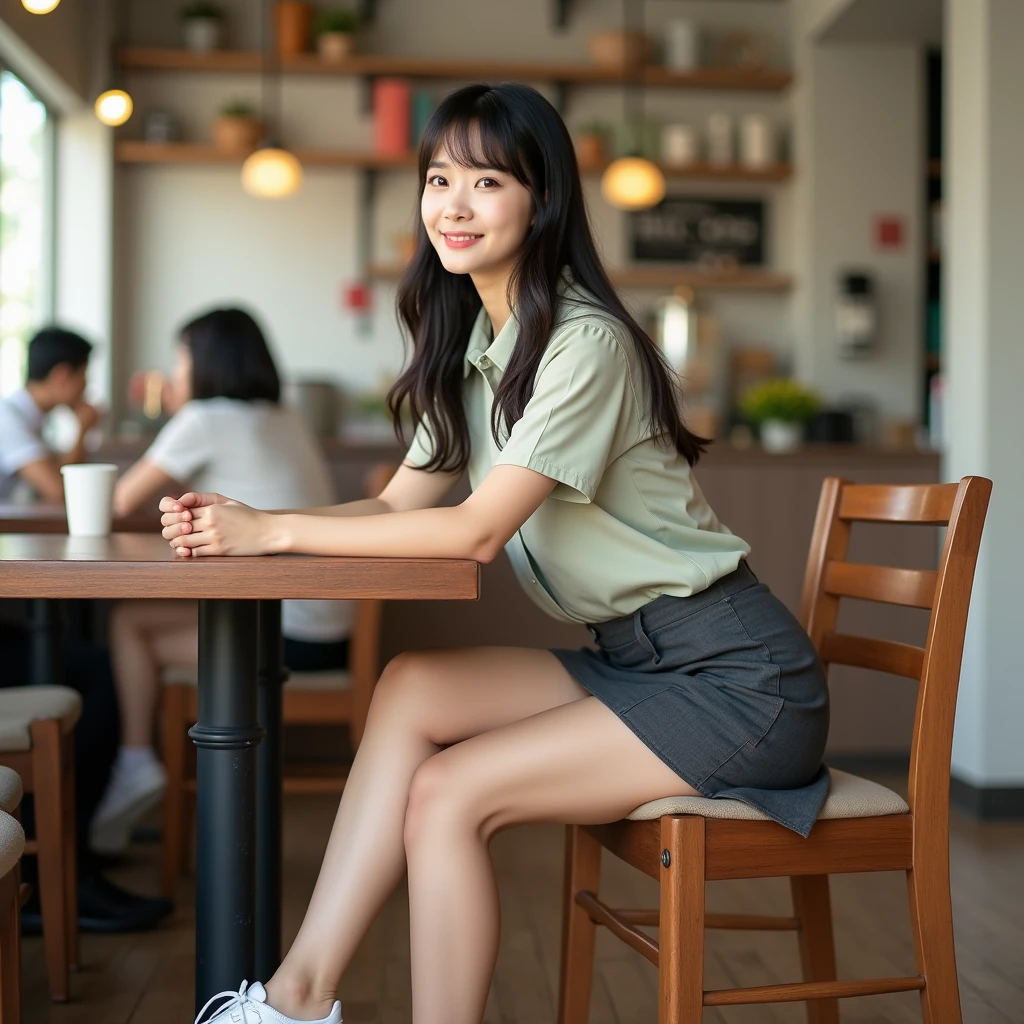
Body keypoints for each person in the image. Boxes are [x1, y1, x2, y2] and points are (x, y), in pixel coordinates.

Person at [167, 85, 830, 1024]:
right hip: (636, 658)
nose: (455, 204)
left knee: (449, 793)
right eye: (440, 178)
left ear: (542, 199)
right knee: (410, 688)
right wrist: (252, 517)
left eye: (487, 180)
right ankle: (294, 1000)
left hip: (741, 681)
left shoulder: (584, 342)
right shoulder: (478, 344)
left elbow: (476, 529)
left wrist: (271, 534)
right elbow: (397, 504)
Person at [90, 307, 352, 855]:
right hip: (327, 626)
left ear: (205, 363)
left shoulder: (206, 417)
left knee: (127, 624)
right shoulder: (285, 415)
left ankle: (136, 760)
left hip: (285, 634)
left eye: (181, 357)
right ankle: (136, 766)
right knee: (135, 622)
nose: (176, 370)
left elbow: (120, 501)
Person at [0, 326, 100, 502]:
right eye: (83, 376)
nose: (86, 386)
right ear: (62, 375)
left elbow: (62, 473)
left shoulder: (32, 418)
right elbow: (59, 490)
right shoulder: (8, 418)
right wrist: (82, 429)